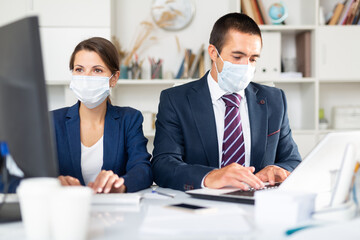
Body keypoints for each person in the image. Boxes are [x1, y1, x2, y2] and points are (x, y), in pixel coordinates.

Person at [152, 13, 301, 191]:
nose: (246, 66)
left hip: (257, 202)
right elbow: (163, 165)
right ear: (214, 53)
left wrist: (279, 170)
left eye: (253, 59)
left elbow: (293, 160)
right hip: (202, 204)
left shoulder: (274, 100)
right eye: (237, 57)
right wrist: (209, 176)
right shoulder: (176, 100)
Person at [52, 37, 152, 193]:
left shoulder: (129, 119)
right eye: (79, 69)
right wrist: (52, 183)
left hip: (114, 212)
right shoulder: (52, 121)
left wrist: (121, 185)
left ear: (114, 78)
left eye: (97, 70)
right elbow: (29, 172)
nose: (86, 77)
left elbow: (143, 169)